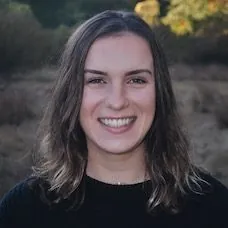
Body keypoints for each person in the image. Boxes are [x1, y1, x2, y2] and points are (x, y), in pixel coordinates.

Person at [0, 10, 228, 228]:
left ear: (160, 91)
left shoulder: (213, 208)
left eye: (136, 80)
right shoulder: (22, 212)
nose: (117, 101)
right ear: (71, 93)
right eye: (97, 80)